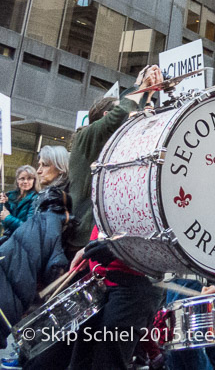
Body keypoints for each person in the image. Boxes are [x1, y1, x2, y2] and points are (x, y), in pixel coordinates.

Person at [52, 64, 165, 370]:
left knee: (103, 356)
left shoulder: (126, 163)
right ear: (106, 121)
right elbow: (121, 117)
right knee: (78, 354)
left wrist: (149, 98)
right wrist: (139, 89)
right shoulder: (91, 140)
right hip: (96, 260)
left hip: (120, 270)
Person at [0, 146, 71, 361]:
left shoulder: (52, 197)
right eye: (38, 165)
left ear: (60, 168)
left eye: (44, 165)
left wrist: (7, 219)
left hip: (34, 266)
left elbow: (39, 234)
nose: (39, 170)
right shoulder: (40, 196)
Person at [0, 165, 39, 237]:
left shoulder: (36, 199)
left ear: (34, 180)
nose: (25, 181)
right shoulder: (11, 196)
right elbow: (4, 223)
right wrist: (4, 204)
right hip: (10, 237)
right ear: (17, 180)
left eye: (29, 178)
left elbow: (28, 228)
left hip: (22, 241)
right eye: (22, 178)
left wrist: (8, 218)